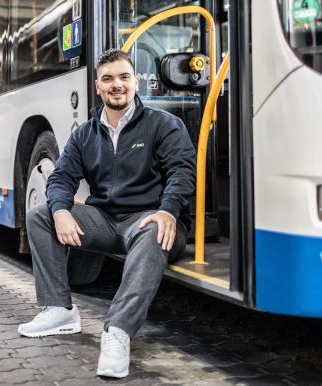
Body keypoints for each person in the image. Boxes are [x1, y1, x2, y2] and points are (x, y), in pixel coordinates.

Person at [17, 48, 195, 378]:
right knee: (40, 214)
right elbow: (61, 177)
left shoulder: (164, 125)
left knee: (154, 230)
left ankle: (118, 332)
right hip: (105, 221)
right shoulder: (85, 134)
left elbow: (182, 172)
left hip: (150, 219)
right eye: (108, 79)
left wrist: (169, 211)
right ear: (98, 86)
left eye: (124, 77)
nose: (117, 85)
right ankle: (58, 310)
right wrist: (60, 212)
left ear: (136, 83)